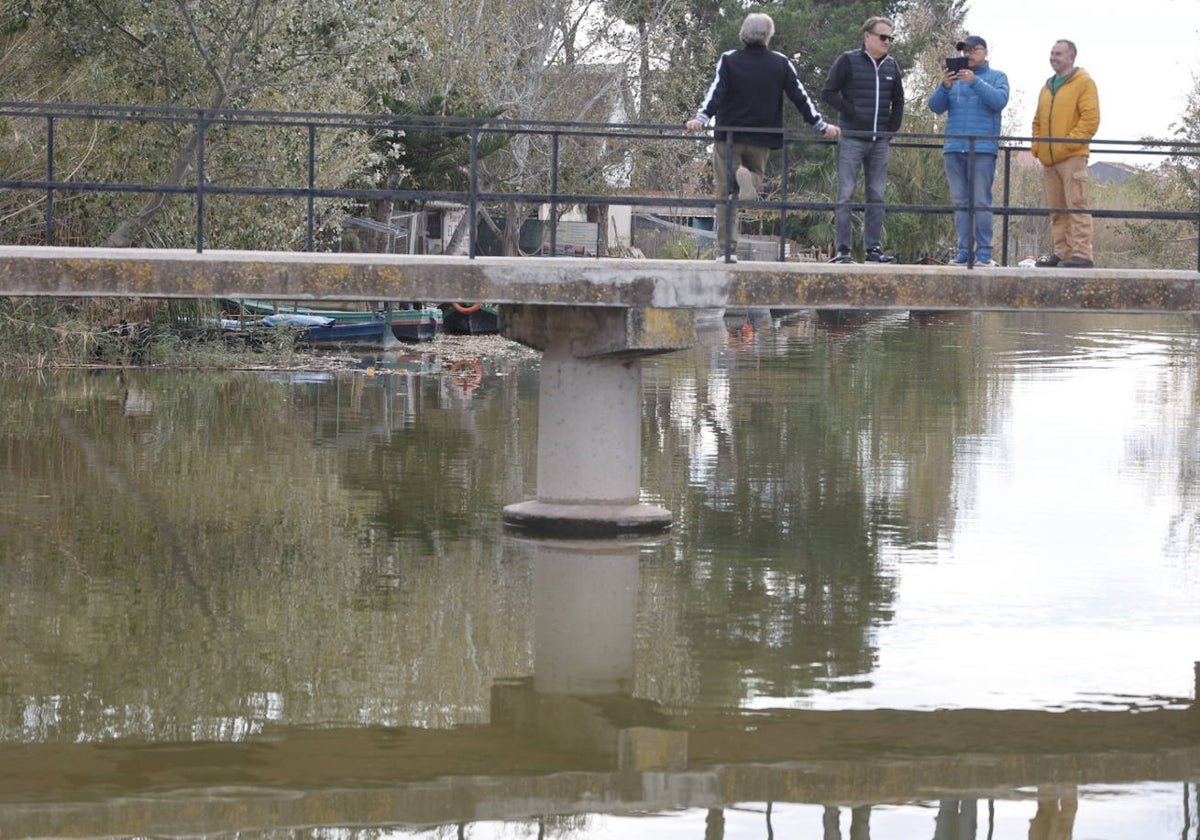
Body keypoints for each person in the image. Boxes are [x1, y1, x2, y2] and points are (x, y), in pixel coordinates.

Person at [686, 12, 840, 262]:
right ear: (768, 37)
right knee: (755, 178)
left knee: (725, 194)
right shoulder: (780, 62)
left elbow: (716, 92)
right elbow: (800, 96)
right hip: (762, 136)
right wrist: (821, 125)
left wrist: (701, 119)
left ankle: (727, 250)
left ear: (742, 35)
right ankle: (750, 179)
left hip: (729, 135)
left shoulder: (729, 60)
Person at [821, 16, 905, 264]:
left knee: (877, 196)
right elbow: (828, 92)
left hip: (880, 142)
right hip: (852, 139)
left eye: (891, 38)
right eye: (883, 37)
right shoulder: (848, 60)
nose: (887, 42)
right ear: (867, 36)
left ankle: (873, 250)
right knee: (846, 194)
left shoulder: (892, 67)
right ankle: (843, 251)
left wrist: (890, 131)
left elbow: (898, 101)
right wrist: (852, 113)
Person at [927, 35, 1009, 266]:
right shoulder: (953, 80)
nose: (968, 54)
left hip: (982, 148)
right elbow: (935, 107)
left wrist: (974, 81)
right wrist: (944, 86)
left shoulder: (997, 77)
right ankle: (964, 251)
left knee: (981, 201)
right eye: (965, 51)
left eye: (974, 50)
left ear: (985, 51)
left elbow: (999, 101)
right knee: (961, 202)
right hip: (954, 147)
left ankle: (984, 253)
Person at [1030, 39, 1100, 268]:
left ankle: (1082, 254)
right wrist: (1038, 148)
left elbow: (1090, 120)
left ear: (1071, 57)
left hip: (1072, 157)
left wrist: (1064, 145)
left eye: (1058, 53)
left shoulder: (1084, 83)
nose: (1053, 57)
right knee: (1057, 210)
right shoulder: (1047, 87)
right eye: (1051, 53)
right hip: (1049, 160)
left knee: (1077, 205)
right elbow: (1037, 121)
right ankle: (1062, 252)